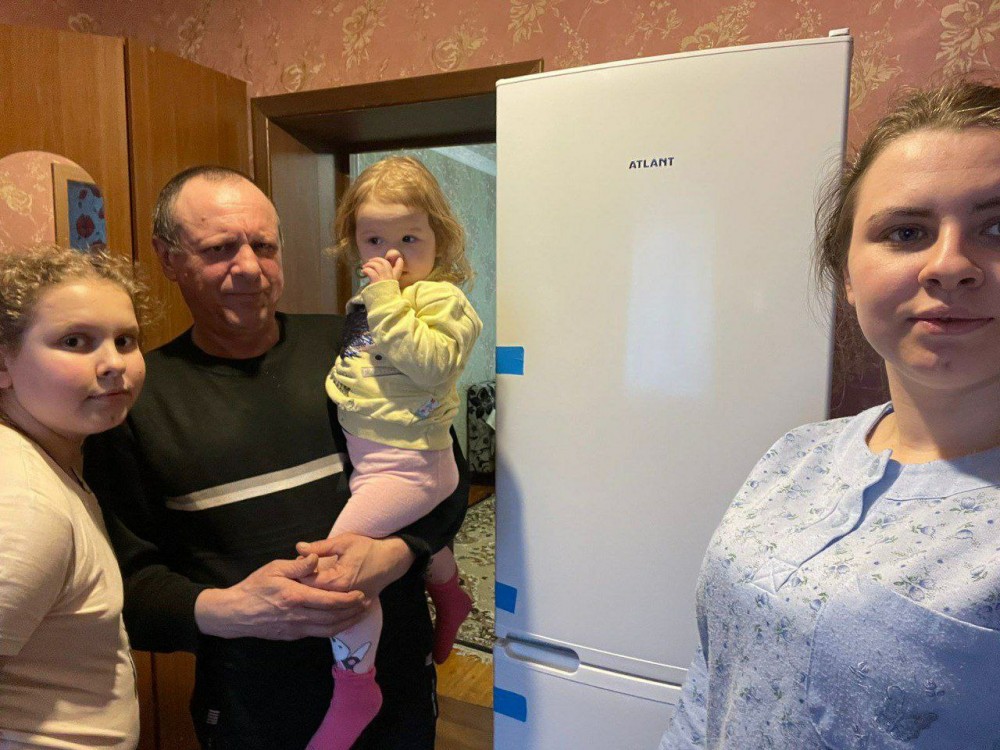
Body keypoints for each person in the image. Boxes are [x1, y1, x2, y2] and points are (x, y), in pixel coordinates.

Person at [660, 81, 1000, 749]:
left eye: (998, 227)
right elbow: (712, 679)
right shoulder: (797, 454)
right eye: (906, 232)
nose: (949, 265)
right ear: (846, 275)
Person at [83, 166, 470, 750]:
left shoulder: (353, 343)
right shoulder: (135, 400)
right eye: (219, 248)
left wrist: (394, 556)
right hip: (253, 709)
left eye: (264, 246)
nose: (248, 267)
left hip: (395, 689)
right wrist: (231, 609)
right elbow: (125, 587)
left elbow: (444, 474)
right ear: (168, 258)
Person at [307, 156, 481, 750]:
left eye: (410, 239)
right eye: (375, 240)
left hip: (408, 468)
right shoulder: (368, 304)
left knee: (341, 571)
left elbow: (430, 366)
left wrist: (384, 297)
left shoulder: (441, 301)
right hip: (378, 461)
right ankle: (450, 594)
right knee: (394, 541)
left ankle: (356, 688)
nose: (394, 256)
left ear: (440, 240)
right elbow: (359, 370)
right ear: (353, 243)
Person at [0, 246, 146, 749]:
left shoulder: (47, 462)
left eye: (125, 340)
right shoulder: (24, 502)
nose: (113, 364)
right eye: (75, 341)